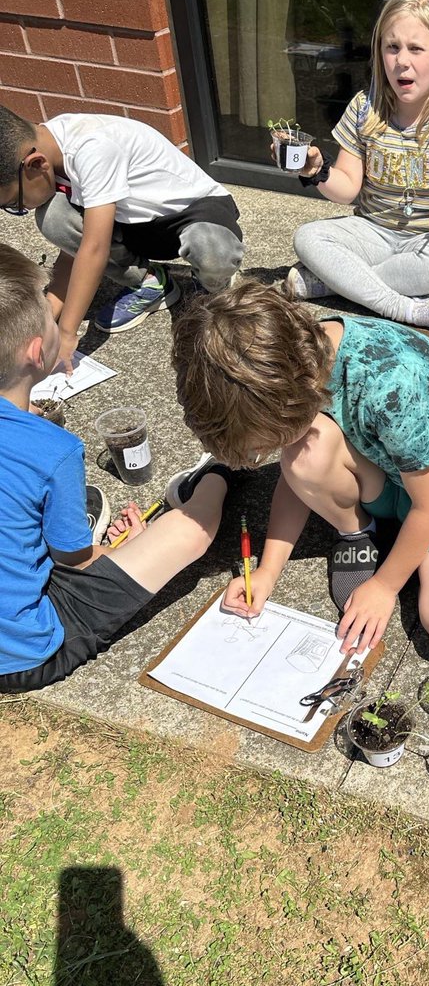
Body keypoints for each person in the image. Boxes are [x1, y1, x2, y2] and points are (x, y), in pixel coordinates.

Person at [171, 281, 429, 658]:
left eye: (264, 444)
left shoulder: (392, 386)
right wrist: (267, 570)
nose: (263, 456)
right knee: (304, 453)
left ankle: (395, 548)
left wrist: (384, 587)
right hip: (385, 472)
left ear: (296, 395)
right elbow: (293, 475)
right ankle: (358, 533)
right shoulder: (292, 354)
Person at [0, 244, 234, 693]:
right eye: (52, 312)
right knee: (188, 532)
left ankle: (67, 519)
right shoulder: (53, 448)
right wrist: (123, 550)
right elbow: (76, 559)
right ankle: (219, 472)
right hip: (23, 655)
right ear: (36, 352)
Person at [286, 0, 429, 334]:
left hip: (427, 240)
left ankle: (334, 283)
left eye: (416, 48)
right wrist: (317, 171)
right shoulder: (364, 109)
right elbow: (348, 188)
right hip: (372, 230)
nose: (402, 60)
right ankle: (406, 309)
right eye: (392, 47)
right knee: (308, 237)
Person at [0, 105, 244, 370]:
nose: (21, 209)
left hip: (194, 214)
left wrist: (67, 333)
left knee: (211, 249)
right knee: (54, 215)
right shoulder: (47, 144)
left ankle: (214, 285)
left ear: (36, 165)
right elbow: (72, 254)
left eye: (14, 202)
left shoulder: (93, 147)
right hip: (135, 224)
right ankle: (149, 283)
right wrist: (41, 324)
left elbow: (94, 249)